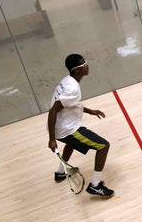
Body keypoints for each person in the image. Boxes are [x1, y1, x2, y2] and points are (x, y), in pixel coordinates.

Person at [47, 54, 114, 197]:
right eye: (83, 65)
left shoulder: (67, 81)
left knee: (72, 144)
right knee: (103, 146)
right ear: (76, 70)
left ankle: (60, 173)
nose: (87, 66)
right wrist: (52, 139)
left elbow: (72, 104)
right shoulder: (72, 88)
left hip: (62, 128)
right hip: (66, 129)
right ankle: (95, 185)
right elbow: (53, 111)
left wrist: (90, 111)